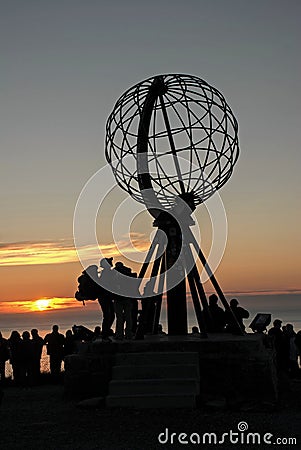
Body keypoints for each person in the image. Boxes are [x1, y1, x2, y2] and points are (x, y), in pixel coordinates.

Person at [113, 262, 134, 340]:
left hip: (118, 298)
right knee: (128, 317)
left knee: (120, 317)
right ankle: (128, 334)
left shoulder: (115, 274)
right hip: (127, 297)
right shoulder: (128, 273)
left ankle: (120, 334)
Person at [98, 257, 116, 342]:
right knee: (108, 316)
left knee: (110, 315)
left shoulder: (106, 273)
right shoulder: (107, 273)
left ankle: (105, 333)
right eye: (110, 262)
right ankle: (105, 334)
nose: (111, 262)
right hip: (105, 298)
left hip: (106, 297)